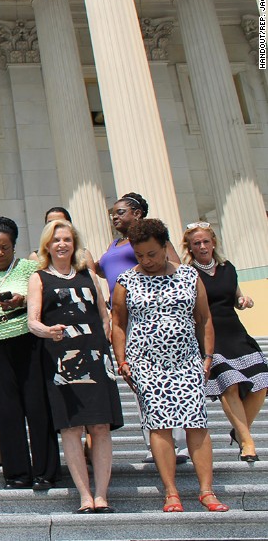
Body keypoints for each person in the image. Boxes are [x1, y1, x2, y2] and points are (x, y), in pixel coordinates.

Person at [111, 218, 228, 513]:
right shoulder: (127, 281)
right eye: (139, 255)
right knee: (159, 425)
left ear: (165, 247)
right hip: (146, 362)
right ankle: (171, 492)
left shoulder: (189, 276)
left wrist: (208, 356)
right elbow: (118, 323)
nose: (146, 261)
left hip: (187, 360)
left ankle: (206, 491)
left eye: (152, 254)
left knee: (196, 422)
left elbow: (204, 318)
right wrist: (122, 360)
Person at [27, 220, 123, 514]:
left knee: (100, 426)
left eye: (67, 239)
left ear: (74, 243)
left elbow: (105, 318)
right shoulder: (39, 278)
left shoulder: (89, 276)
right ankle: (84, 496)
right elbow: (32, 321)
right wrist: (47, 331)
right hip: (61, 358)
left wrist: (111, 353)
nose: (62, 245)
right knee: (71, 428)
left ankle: (102, 494)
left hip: (95, 356)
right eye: (56, 240)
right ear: (47, 245)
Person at [96, 192, 186, 464]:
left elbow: (177, 268)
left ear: (137, 213)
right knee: (140, 381)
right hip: (122, 315)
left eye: (121, 211)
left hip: (151, 313)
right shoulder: (115, 244)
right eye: (113, 212)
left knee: (169, 378)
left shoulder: (153, 240)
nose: (115, 216)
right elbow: (104, 270)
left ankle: (178, 444)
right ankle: (154, 444)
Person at [0, 216, 59, 490]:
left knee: (36, 406)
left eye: (5, 247)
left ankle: (44, 470)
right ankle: (16, 472)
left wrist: (23, 301)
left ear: (14, 246)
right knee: (7, 410)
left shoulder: (30, 269)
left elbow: (46, 298)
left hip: (27, 341)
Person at [183, 222, 264, 462]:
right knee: (230, 384)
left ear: (213, 242)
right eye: (196, 243)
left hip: (235, 332)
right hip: (209, 335)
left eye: (206, 241)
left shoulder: (228, 268)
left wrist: (244, 300)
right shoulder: (188, 273)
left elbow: (236, 296)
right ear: (190, 247)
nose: (202, 246)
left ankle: (240, 431)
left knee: (261, 382)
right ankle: (247, 441)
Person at [27, 207, 97, 272]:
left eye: (60, 223)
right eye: (50, 223)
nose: (54, 225)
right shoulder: (36, 257)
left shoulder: (84, 255)